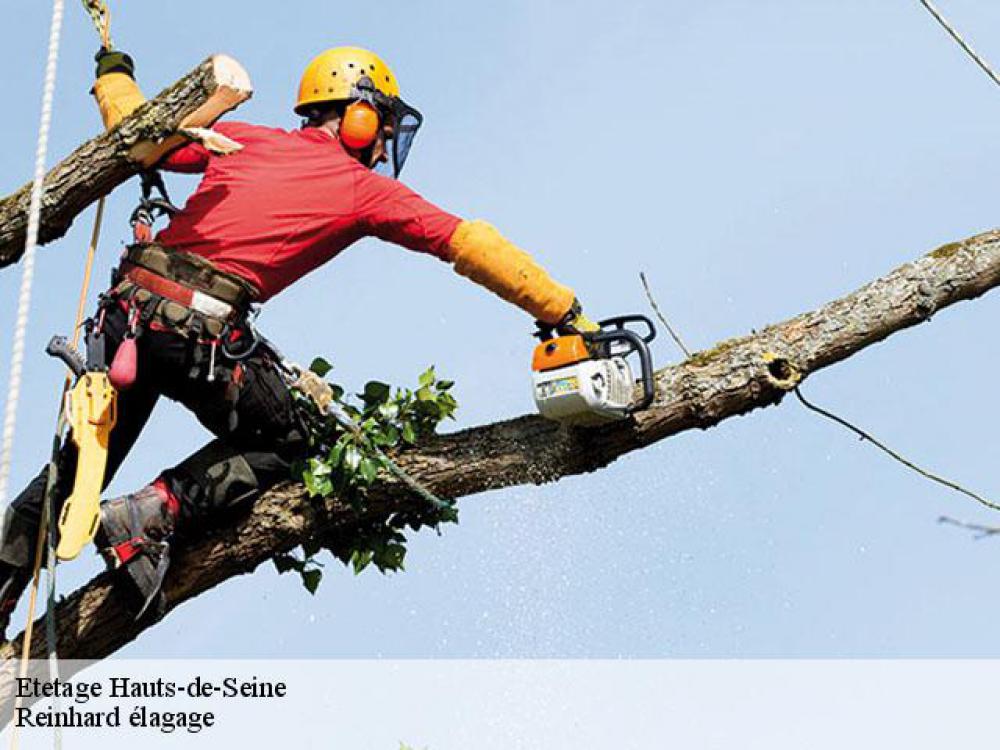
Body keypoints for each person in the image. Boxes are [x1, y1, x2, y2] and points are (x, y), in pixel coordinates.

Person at [0, 46, 598, 636]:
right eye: (381, 130)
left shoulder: (247, 139)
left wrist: (114, 74)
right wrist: (563, 309)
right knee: (293, 439)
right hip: (198, 333)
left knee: (73, 474)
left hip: (128, 318)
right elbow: (466, 242)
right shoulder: (362, 188)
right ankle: (154, 512)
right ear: (358, 115)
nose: (383, 147)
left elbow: (137, 131)